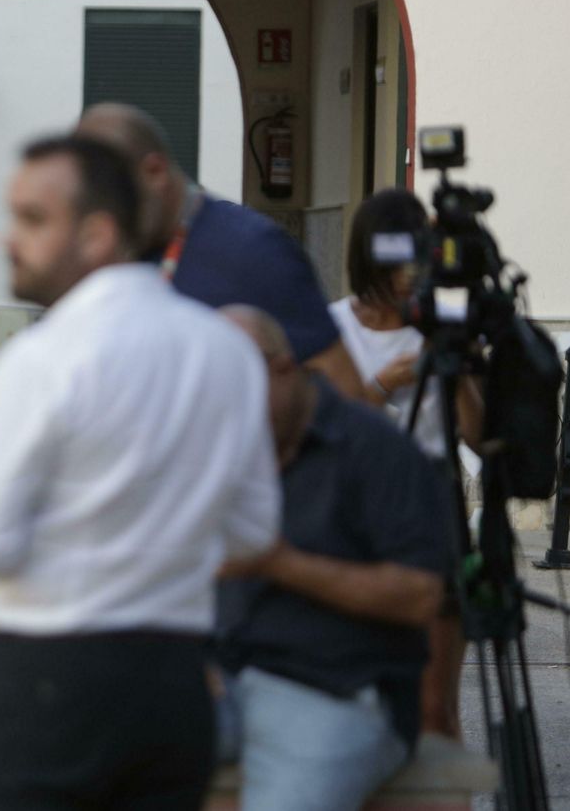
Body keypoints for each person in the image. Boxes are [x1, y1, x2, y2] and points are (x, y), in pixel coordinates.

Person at [0, 135, 281, 810]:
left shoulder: (40, 361)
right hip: (174, 687)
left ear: (96, 235)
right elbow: (253, 532)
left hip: (44, 681)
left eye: (33, 219)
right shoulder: (228, 353)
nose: (8, 238)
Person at [217, 305, 452, 811]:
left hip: (337, 690)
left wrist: (279, 563)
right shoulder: (225, 442)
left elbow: (420, 595)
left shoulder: (376, 450)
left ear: (283, 368)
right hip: (221, 679)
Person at [73, 103, 367, 400]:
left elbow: (346, 396)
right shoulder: (115, 255)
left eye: (112, 199)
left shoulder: (254, 250)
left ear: (155, 172)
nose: (104, 218)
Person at [328, 188, 482, 738]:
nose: (407, 273)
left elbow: (479, 434)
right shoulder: (332, 326)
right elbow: (325, 425)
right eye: (396, 257)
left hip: (431, 499)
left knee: (435, 708)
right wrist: (384, 382)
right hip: (352, 507)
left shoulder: (444, 323)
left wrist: (455, 367)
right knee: (352, 699)